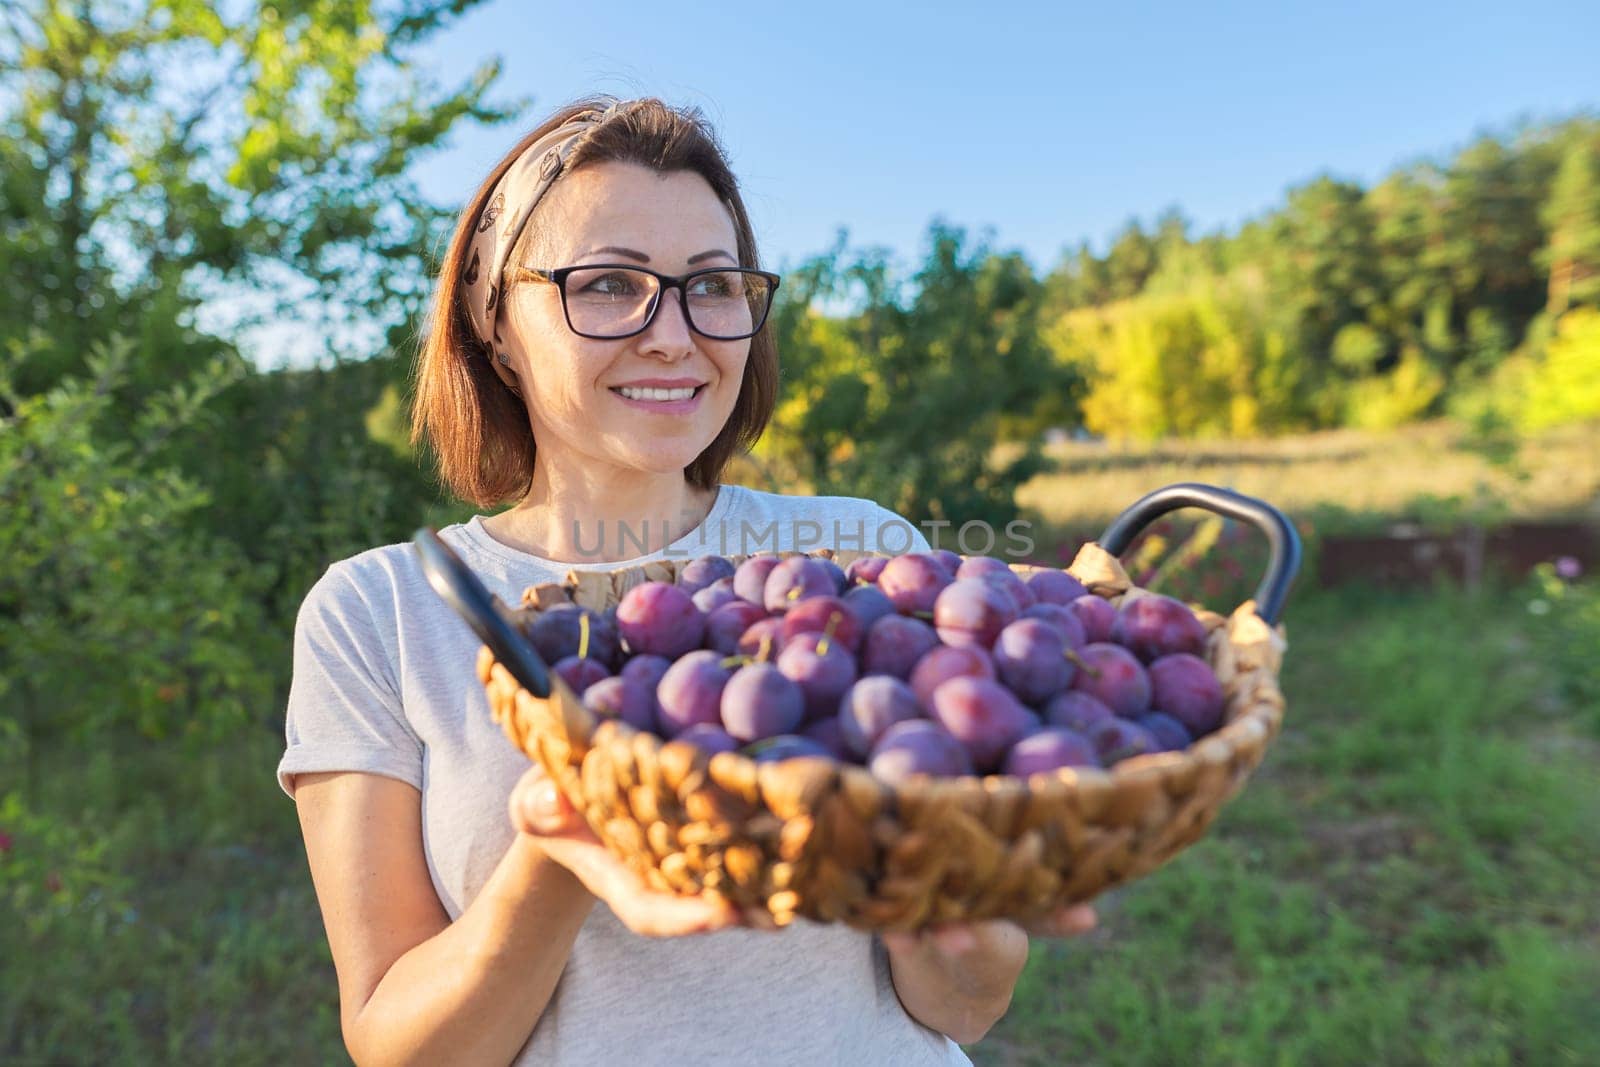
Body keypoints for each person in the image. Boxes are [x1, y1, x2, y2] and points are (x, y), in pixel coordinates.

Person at [279, 96, 1095, 1067]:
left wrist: (955, 912)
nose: (672, 334)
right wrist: (564, 838)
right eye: (610, 283)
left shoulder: (857, 556)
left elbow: (962, 1010)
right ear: (492, 319)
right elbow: (401, 1047)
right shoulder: (384, 611)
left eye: (711, 286)